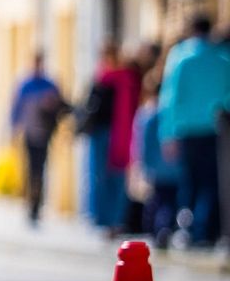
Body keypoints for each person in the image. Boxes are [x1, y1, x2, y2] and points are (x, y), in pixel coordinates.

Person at [159, 13, 230, 247]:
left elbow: (169, 99)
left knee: (189, 182)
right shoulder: (222, 59)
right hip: (214, 128)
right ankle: (205, 230)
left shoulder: (180, 57)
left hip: (186, 130)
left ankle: (187, 229)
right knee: (211, 182)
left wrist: (167, 133)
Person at [80, 41, 138, 235]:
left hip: (118, 134)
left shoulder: (125, 80)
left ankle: (116, 219)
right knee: (98, 176)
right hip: (99, 134)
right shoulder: (99, 80)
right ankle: (101, 217)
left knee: (117, 177)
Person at [9, 49, 69, 227]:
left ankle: (37, 204)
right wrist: (14, 129)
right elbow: (16, 108)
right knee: (30, 168)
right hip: (29, 132)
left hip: (44, 132)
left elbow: (61, 105)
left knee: (40, 168)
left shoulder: (49, 84)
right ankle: (30, 202)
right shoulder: (25, 84)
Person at [131, 73, 181, 247]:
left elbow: (142, 144)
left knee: (156, 200)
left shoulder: (146, 114)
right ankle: (164, 228)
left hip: (156, 169)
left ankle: (157, 230)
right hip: (173, 168)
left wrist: (143, 166)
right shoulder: (170, 112)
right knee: (170, 201)